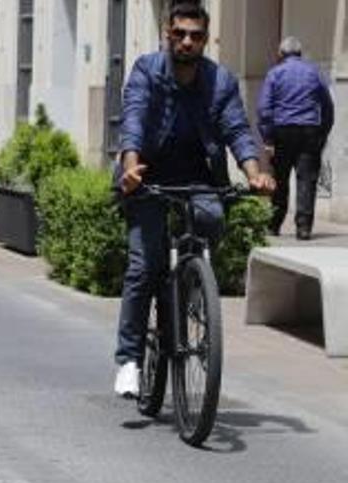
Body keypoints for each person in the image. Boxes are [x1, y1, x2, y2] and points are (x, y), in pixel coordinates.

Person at [113, 3, 275, 397]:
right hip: (146, 177)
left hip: (195, 177)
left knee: (211, 218)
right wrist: (131, 167)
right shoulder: (147, 70)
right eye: (180, 33)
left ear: (206, 38)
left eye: (196, 35)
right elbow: (133, 118)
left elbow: (236, 128)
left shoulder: (219, 81)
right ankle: (130, 360)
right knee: (144, 266)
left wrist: (255, 173)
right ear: (167, 34)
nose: (187, 41)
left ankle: (191, 282)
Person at [257, 36, 334, 240]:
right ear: (300, 54)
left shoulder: (275, 74)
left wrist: (268, 138)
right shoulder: (314, 72)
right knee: (307, 179)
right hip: (310, 131)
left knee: (280, 179)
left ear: (280, 54)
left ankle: (274, 225)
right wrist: (322, 133)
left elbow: (265, 109)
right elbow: (327, 106)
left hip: (282, 131)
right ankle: (304, 228)